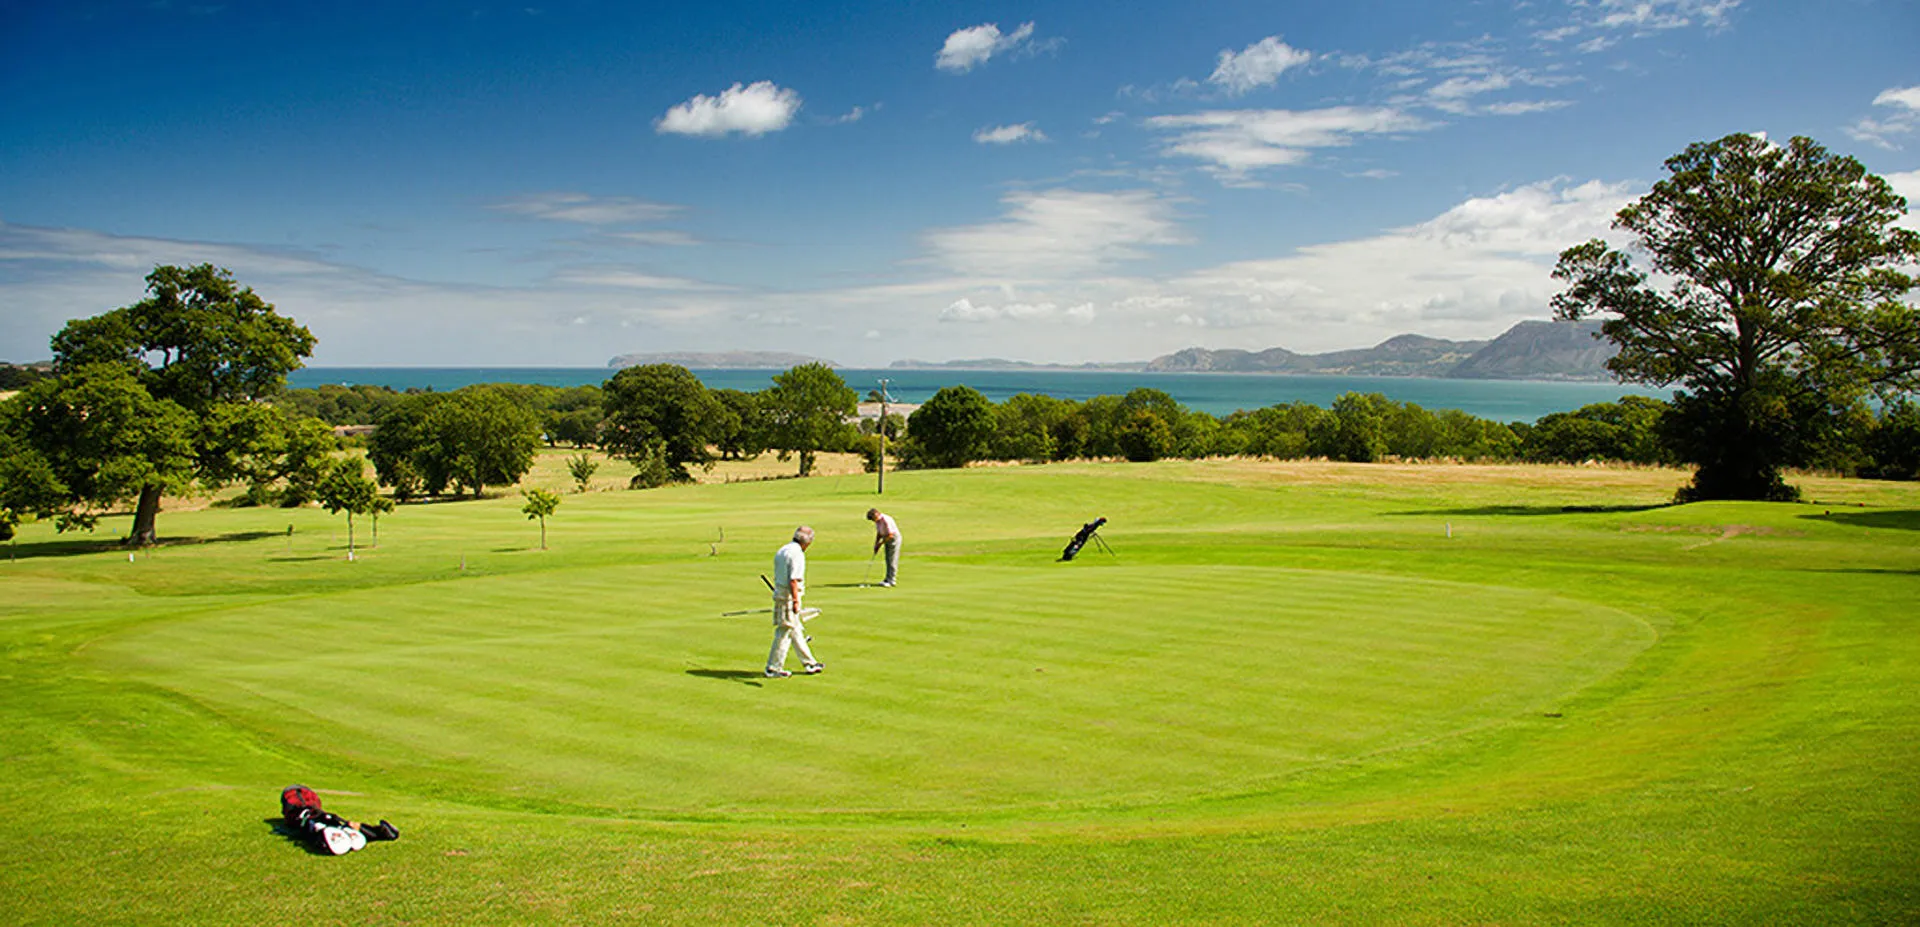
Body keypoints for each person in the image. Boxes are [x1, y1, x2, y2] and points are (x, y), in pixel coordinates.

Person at [766, 525, 823, 678]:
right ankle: (773, 668)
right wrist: (796, 601)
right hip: (788, 596)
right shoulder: (797, 554)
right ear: (807, 542)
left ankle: (809, 663)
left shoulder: (783, 549)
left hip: (781, 592)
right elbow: (793, 580)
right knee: (784, 631)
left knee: (795, 629)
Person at [867, 507, 902, 587]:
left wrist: (880, 544)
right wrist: (876, 543)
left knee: (892, 559)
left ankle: (892, 581)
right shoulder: (878, 521)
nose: (874, 521)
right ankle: (887, 579)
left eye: (873, 519)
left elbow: (890, 535)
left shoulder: (886, 520)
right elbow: (879, 533)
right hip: (886, 537)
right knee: (887, 559)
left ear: (876, 514)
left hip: (893, 539)